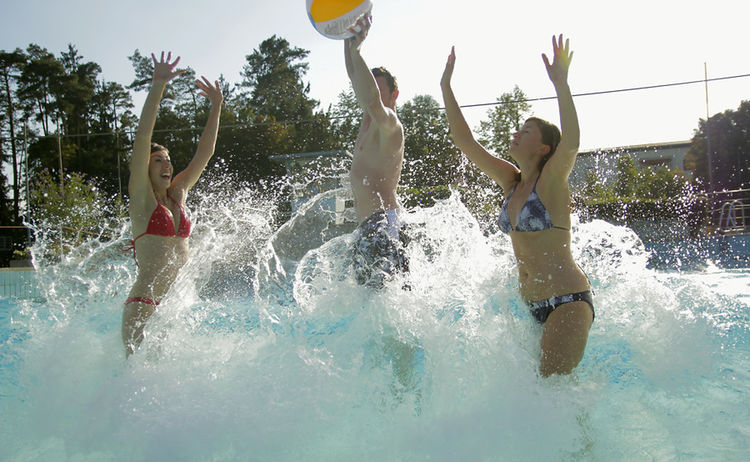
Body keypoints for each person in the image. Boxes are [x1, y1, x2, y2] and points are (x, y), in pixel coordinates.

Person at [440, 35, 594, 376]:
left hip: (567, 302)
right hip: (532, 307)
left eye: (526, 131)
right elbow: (465, 141)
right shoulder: (511, 181)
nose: (516, 133)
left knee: (549, 391)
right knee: (544, 396)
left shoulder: (551, 181)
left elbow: (571, 142)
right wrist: (446, 86)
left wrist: (561, 84)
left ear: (543, 149)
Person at [122, 51, 223, 357]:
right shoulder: (141, 196)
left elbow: (204, 154)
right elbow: (143, 136)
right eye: (157, 160)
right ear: (144, 167)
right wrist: (158, 86)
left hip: (173, 307)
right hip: (145, 303)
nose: (166, 165)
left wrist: (216, 108)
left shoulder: (178, 195)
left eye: (167, 159)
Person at [345, 15, 408, 289]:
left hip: (384, 226)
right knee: (369, 313)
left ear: (395, 95)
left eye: (380, 89)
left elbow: (370, 98)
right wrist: (347, 40)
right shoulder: (368, 122)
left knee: (385, 308)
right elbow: (356, 79)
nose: (373, 94)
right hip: (368, 227)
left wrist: (358, 51)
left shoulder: (390, 125)